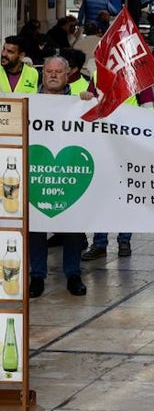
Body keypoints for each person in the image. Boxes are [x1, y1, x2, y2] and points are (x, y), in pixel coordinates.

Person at [28, 56, 88, 298]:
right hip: (38, 170)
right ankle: (37, 277)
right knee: (36, 223)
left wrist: (88, 103)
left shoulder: (80, 101)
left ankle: (73, 274)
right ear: (43, 76)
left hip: (70, 170)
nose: (52, 75)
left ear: (67, 75)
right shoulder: (28, 101)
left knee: (72, 224)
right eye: (48, 71)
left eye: (58, 72)